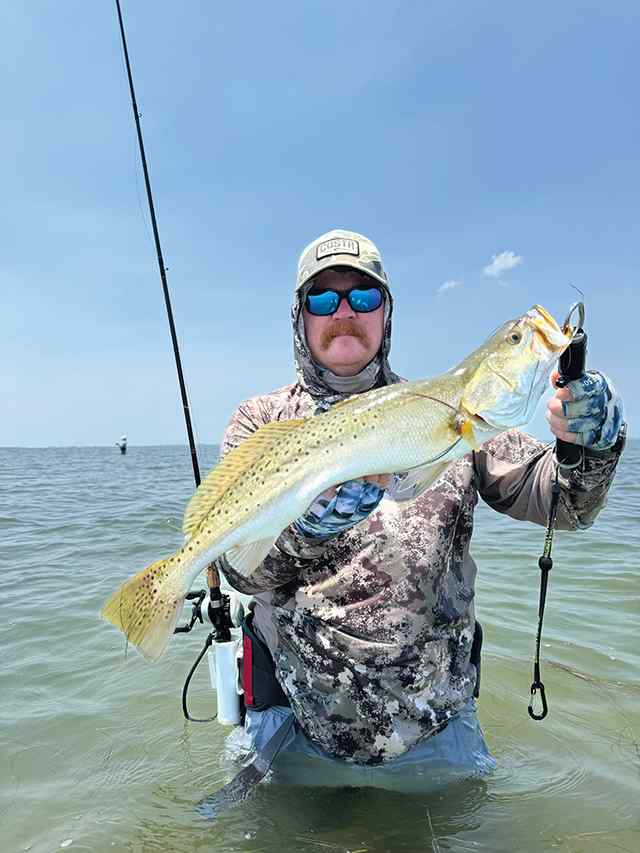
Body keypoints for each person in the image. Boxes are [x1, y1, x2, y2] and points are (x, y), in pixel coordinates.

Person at [213, 229, 626, 792]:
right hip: (295, 726)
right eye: (323, 298)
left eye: (363, 297)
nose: (344, 313)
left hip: (437, 729)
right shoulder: (261, 423)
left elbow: (565, 504)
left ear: (386, 313)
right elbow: (240, 569)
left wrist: (591, 448)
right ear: (299, 316)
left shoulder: (450, 413)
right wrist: (307, 531)